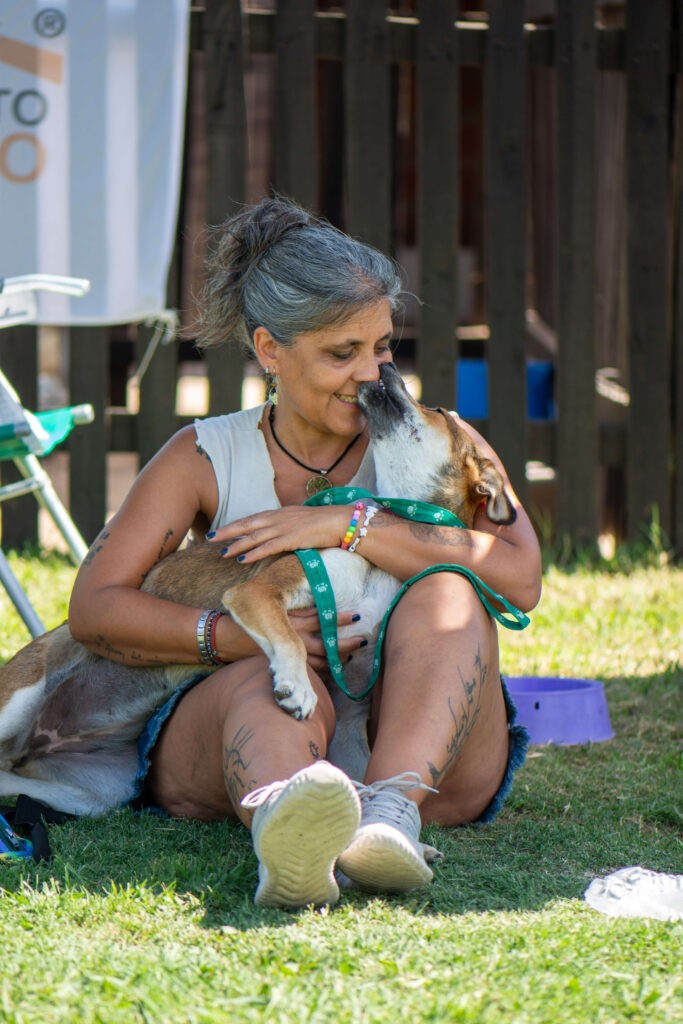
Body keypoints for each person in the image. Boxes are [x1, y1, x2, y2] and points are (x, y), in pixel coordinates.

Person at [68, 196, 542, 909]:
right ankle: (290, 840)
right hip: (260, 733)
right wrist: (231, 637)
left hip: (428, 760)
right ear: (269, 351)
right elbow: (94, 608)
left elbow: (519, 577)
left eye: (381, 348)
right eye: (340, 353)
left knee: (449, 594)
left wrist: (347, 526)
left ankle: (387, 818)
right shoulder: (204, 456)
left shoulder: (437, 443)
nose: (371, 374)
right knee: (264, 678)